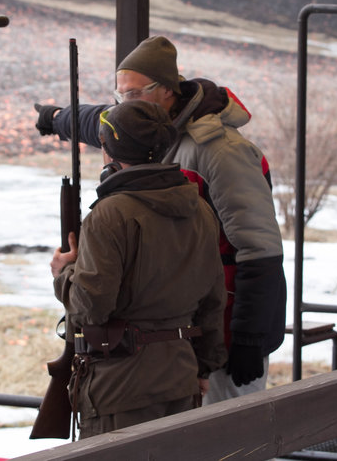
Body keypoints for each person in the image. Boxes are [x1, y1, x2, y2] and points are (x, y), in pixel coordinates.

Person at [37, 35, 287, 405]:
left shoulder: (221, 152)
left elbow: (258, 250)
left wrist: (249, 337)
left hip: (226, 326)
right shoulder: (147, 130)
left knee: (230, 436)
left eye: (134, 95)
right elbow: (100, 119)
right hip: (177, 335)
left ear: (168, 90)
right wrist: (58, 119)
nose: (125, 104)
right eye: (121, 95)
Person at [51, 99, 227, 439]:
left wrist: (63, 274)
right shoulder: (200, 210)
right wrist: (203, 367)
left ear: (108, 149)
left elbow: (92, 307)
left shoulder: (110, 214)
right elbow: (213, 300)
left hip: (119, 391)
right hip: (180, 379)